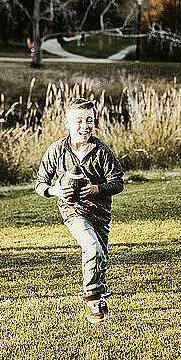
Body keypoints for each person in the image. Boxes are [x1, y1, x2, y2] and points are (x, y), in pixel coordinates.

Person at [35, 98, 124, 323]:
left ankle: (100, 292)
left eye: (89, 121)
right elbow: (40, 184)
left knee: (100, 255)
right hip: (73, 211)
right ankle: (92, 299)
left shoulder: (102, 151)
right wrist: (55, 190)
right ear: (67, 123)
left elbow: (118, 183)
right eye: (78, 121)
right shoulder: (56, 150)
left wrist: (96, 189)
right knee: (92, 247)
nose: (83, 126)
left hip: (100, 212)